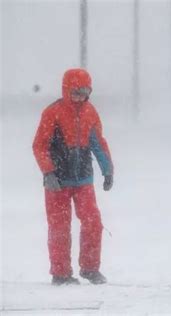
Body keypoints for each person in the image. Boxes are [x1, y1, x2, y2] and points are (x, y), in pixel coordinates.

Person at [33, 68, 114, 285]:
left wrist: (107, 169)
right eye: (76, 92)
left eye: (85, 92)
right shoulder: (53, 113)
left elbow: (98, 143)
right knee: (59, 227)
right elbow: (39, 145)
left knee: (93, 222)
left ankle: (90, 268)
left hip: (83, 180)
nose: (80, 97)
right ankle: (60, 273)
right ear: (67, 89)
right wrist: (48, 171)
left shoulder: (90, 112)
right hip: (57, 182)